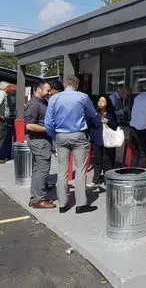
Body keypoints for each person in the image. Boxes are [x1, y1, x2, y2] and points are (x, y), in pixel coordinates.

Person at [45, 75, 97, 214]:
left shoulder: (54, 98)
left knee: (62, 170)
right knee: (80, 170)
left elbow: (48, 122)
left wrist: (53, 135)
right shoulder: (82, 97)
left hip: (60, 135)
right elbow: (92, 113)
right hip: (78, 134)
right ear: (77, 85)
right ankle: (81, 204)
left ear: (64, 84)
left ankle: (63, 204)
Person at [25, 81, 55, 209]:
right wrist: (47, 129)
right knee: (43, 170)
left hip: (42, 141)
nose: (50, 92)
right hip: (39, 141)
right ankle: (39, 200)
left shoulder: (43, 103)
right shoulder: (34, 104)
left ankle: (35, 198)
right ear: (38, 90)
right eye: (47, 90)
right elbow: (29, 125)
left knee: (38, 171)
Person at [88, 95, 118, 187]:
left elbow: (115, 126)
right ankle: (95, 180)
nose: (100, 103)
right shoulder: (95, 113)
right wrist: (91, 138)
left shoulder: (111, 114)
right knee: (97, 161)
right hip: (97, 140)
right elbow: (91, 126)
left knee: (108, 161)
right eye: (99, 101)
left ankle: (107, 180)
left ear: (107, 103)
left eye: (103, 101)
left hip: (108, 141)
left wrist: (108, 122)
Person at [0, 82, 9, 164]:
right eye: (8, 87)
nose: (9, 89)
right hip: (1, 120)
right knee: (1, 138)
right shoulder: (2, 93)